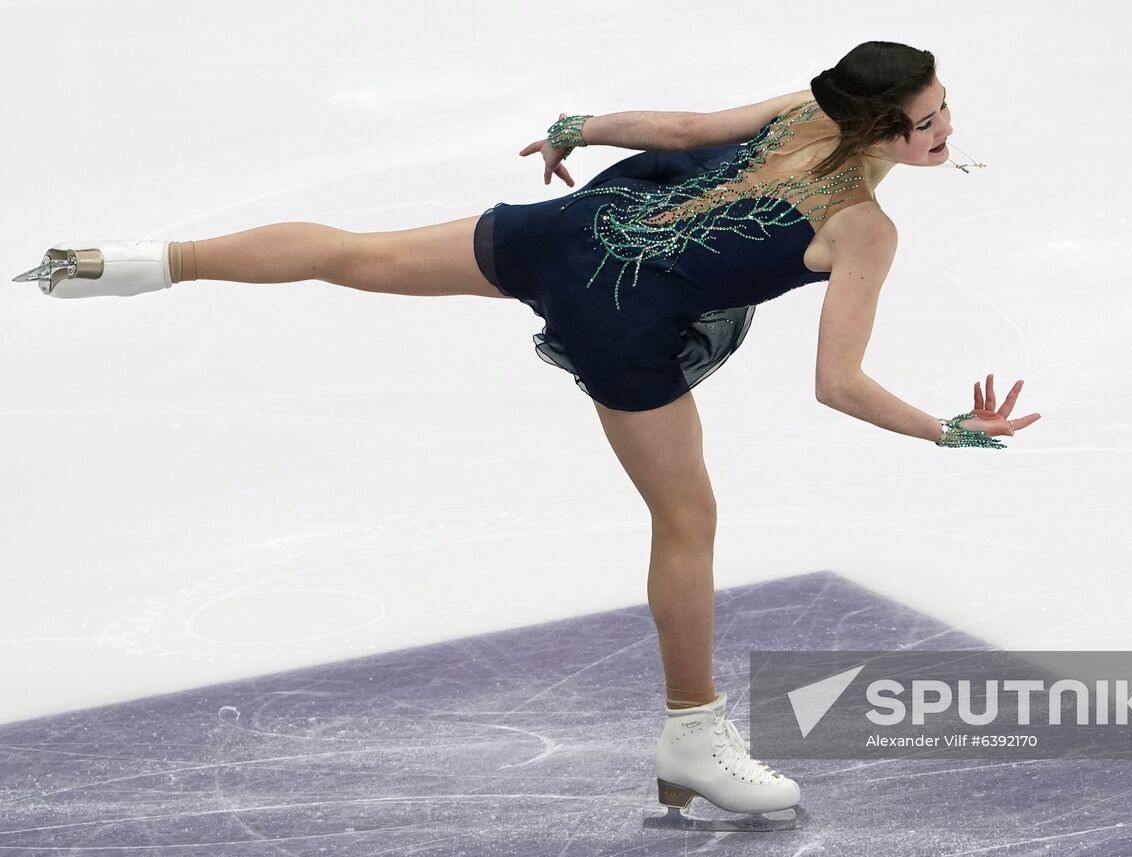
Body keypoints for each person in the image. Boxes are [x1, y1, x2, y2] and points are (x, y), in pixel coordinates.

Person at [13, 40, 1041, 831]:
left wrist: (577, 124)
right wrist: (942, 430)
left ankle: (141, 261)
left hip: (575, 229)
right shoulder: (863, 227)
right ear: (873, 126)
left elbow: (679, 128)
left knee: (353, 253)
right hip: (621, 312)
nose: (942, 126)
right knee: (686, 519)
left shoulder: (795, 109)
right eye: (924, 118)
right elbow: (837, 383)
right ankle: (692, 731)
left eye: (942, 109)